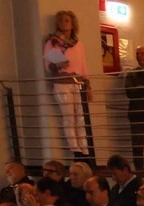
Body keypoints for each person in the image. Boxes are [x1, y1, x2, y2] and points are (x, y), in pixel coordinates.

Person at [43, 10, 89, 158]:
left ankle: (85, 149)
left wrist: (88, 83)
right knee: (68, 116)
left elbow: (82, 65)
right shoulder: (52, 42)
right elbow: (48, 63)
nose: (64, 23)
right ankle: (75, 150)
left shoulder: (78, 44)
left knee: (81, 116)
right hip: (62, 81)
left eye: (67, 20)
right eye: (61, 20)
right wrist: (58, 64)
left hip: (77, 81)